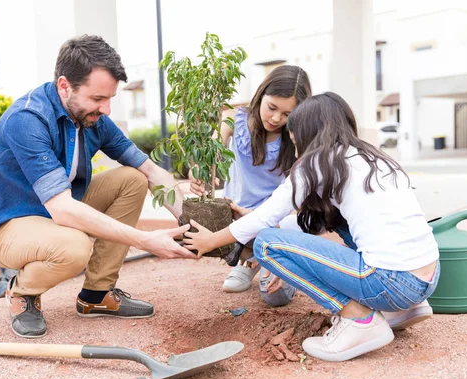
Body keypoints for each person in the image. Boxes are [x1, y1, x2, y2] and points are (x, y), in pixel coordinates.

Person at [0, 34, 195, 339]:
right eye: (98, 99)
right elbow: (62, 209)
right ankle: (22, 292)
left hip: (50, 214)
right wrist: (145, 240)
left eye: (110, 98)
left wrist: (192, 226)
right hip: (3, 226)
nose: (107, 109)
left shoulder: (92, 118)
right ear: (64, 86)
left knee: (132, 179)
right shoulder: (28, 119)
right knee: (75, 247)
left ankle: (96, 295)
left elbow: (152, 171)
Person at [183, 92, 440, 362]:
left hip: (389, 282)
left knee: (267, 244)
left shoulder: (314, 163)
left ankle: (360, 321)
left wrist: (210, 241)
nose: (295, 152)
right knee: (336, 218)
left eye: (295, 143)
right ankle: (407, 308)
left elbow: (266, 221)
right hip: (427, 277)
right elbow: (307, 222)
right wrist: (252, 215)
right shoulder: (368, 157)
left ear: (306, 136)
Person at [189, 65, 312, 305]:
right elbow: (211, 153)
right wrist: (199, 172)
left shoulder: (297, 138)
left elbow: (300, 200)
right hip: (237, 216)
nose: (276, 119)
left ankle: (278, 261)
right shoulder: (234, 118)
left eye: (287, 114)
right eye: (272, 108)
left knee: (274, 297)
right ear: (260, 95)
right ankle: (250, 258)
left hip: (275, 222)